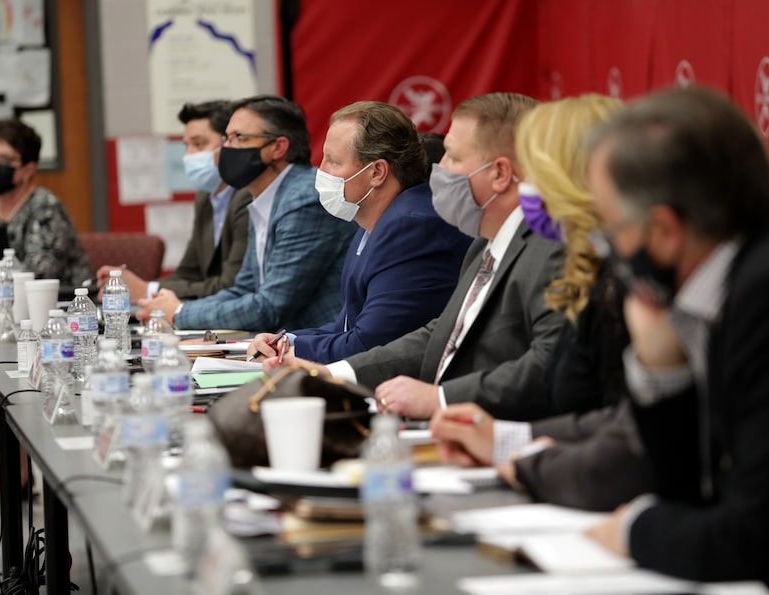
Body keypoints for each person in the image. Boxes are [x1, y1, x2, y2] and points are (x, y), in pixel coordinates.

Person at [578, 86, 769, 590]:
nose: (611, 251)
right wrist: (662, 368)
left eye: (612, 230)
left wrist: (636, 530)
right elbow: (689, 493)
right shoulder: (734, 278)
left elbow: (755, 539)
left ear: (664, 229)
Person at [268, 92, 566, 422]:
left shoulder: (550, 250)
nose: (439, 168)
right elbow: (442, 334)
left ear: (499, 173)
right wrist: (338, 373)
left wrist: (440, 398)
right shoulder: (485, 243)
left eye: (452, 156)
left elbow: (550, 367)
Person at [431, 95, 656, 512]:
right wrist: (508, 441)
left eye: (532, 170)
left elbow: (638, 436)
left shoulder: (635, 287)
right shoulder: (596, 272)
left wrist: (524, 457)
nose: (523, 186)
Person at [247, 101, 471, 363]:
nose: (321, 171)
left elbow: (368, 344)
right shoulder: (375, 220)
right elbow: (346, 325)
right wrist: (285, 341)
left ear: (377, 172)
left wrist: (290, 355)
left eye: (333, 161)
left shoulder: (410, 227)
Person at [136, 95, 356, 330]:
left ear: (278, 147)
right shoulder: (263, 195)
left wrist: (180, 312)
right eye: (227, 139)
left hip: (325, 351)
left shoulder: (304, 200)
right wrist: (174, 309)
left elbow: (269, 307)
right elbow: (245, 288)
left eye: (239, 138)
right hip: (281, 347)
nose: (225, 149)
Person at [97, 100, 251, 301]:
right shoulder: (205, 198)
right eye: (187, 146)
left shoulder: (248, 197)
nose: (189, 156)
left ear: (230, 143)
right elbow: (188, 273)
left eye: (199, 144)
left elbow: (230, 286)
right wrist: (135, 285)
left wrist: (147, 290)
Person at [0, 119, 91, 288]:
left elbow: (40, 275)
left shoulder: (47, 210)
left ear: (28, 170)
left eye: (4, 160)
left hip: (60, 305)